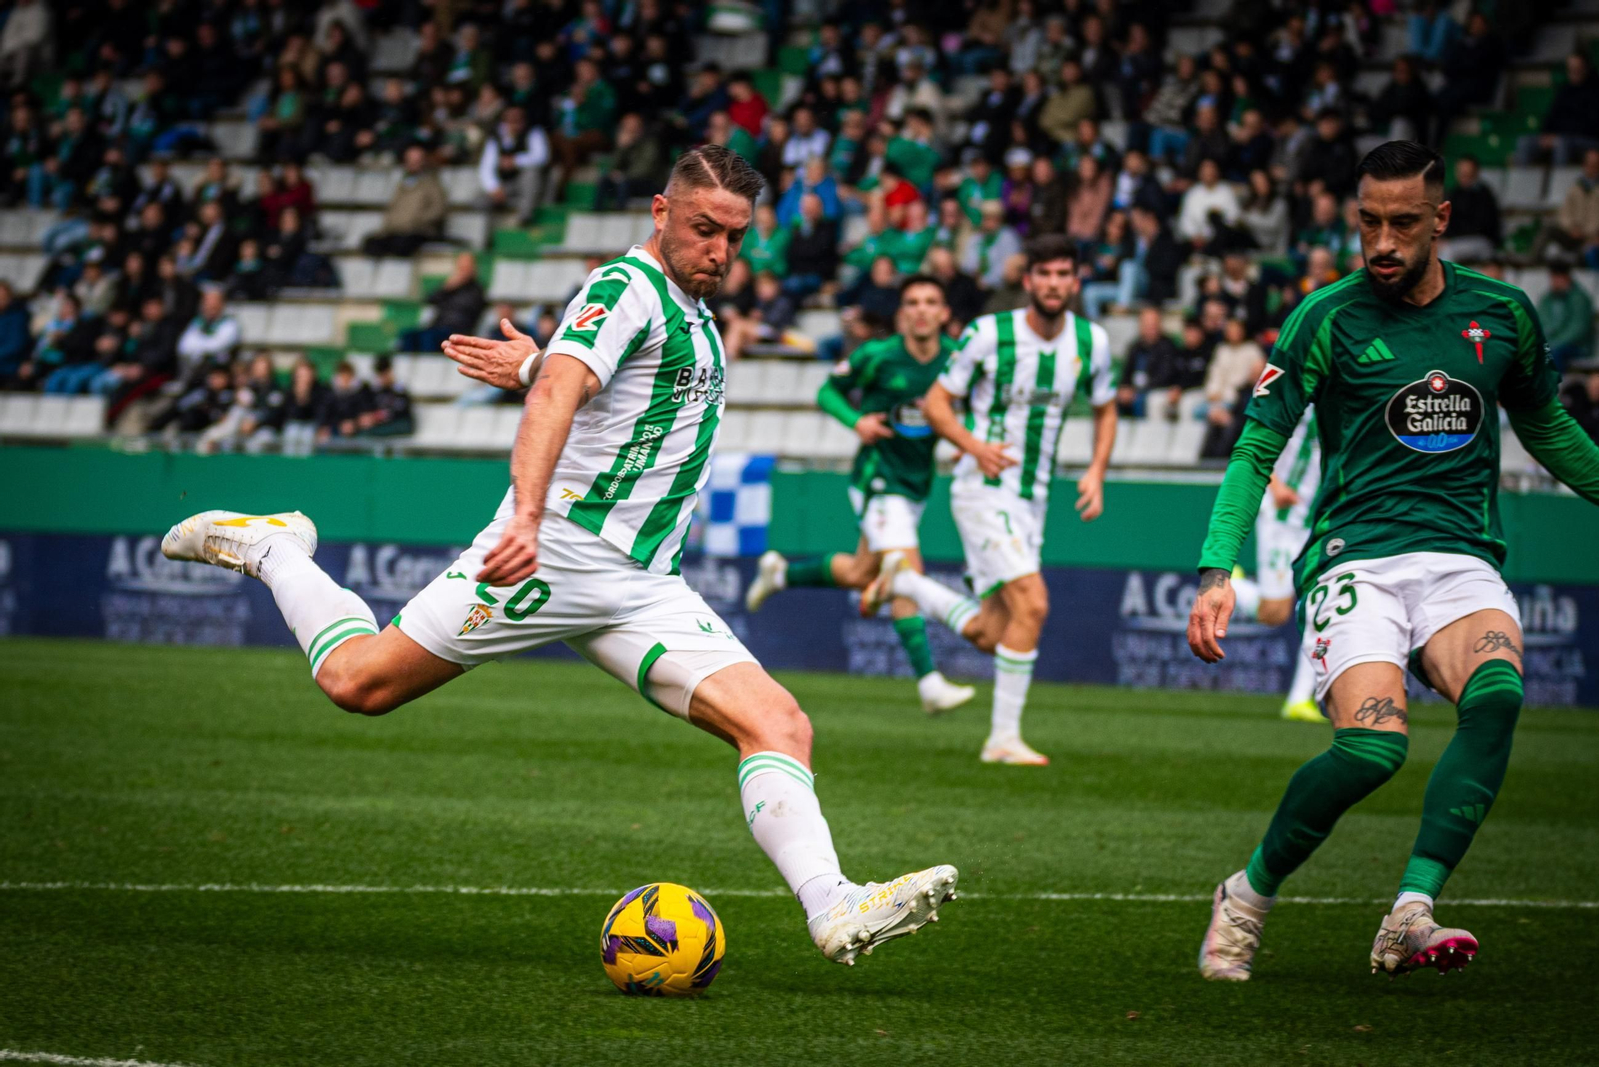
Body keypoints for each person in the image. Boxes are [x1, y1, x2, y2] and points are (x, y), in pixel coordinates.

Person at [160, 145, 958, 966]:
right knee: (357, 682)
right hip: (558, 556)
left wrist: (540, 359)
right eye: (703, 228)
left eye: (735, 236)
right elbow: (557, 395)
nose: (720, 250)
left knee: (779, 722)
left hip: (643, 584)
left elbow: (603, 388)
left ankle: (833, 903)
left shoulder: (691, 312)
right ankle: (274, 547)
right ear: (660, 212)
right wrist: (530, 511)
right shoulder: (626, 286)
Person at [1189, 142, 1599, 983]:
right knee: (1373, 752)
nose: (1382, 241)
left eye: (1403, 223)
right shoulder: (1325, 317)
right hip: (1357, 558)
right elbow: (1257, 446)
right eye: (1369, 222)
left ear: (1440, 219)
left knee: (1497, 697)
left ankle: (1411, 909)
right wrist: (1216, 570)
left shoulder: (1503, 314)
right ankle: (1247, 893)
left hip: (1461, 558)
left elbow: (1548, 427)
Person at [860, 235, 1118, 765]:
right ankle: (1002, 740)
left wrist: (1096, 470)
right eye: (1044, 274)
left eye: (1063, 274)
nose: (1053, 284)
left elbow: (1106, 406)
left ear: (1075, 282)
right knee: (1034, 603)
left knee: (993, 631)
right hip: (983, 489)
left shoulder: (1092, 341)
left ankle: (905, 583)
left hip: (1033, 498)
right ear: (1028, 280)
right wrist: (974, 446)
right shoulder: (988, 334)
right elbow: (937, 404)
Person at [745, 276, 977, 715]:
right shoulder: (878, 355)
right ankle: (930, 683)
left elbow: (969, 405)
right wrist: (857, 421)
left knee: (860, 571)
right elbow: (827, 391)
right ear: (902, 314)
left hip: (916, 483)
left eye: (931, 302)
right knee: (904, 569)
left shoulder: (955, 361)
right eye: (913, 302)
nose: (922, 310)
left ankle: (781, 574)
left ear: (945, 313)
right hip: (877, 479)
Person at [1223, 407, 1323, 722]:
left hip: (1317, 523)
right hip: (1282, 517)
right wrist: (1275, 484)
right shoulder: (1302, 400)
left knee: (1321, 608)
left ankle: (1299, 700)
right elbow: (1254, 441)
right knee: (1274, 614)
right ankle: (1234, 586)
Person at [363, 146, 449, 258]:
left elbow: (438, 210)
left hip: (418, 232)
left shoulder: (433, 184)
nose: (413, 163)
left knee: (402, 244)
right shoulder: (402, 185)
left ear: (424, 161)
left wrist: (416, 221)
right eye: (409, 160)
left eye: (417, 160)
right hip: (395, 231)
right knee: (371, 244)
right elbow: (393, 208)